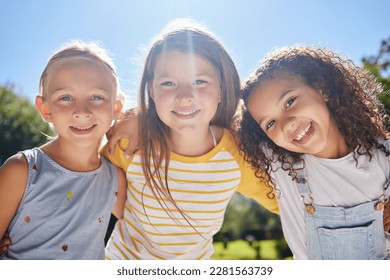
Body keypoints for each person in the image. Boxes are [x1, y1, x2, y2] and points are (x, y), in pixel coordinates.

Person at [102, 18, 279, 260]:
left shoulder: (236, 154)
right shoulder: (130, 143)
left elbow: (285, 202)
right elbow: (86, 180)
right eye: (168, 83)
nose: (185, 96)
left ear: (221, 90)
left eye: (199, 81)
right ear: (151, 91)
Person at [237, 45, 390, 259]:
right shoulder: (279, 166)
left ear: (321, 89)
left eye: (290, 101)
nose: (287, 124)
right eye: (270, 123)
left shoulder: (385, 157)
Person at [0, 41, 127, 260]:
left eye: (96, 97)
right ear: (45, 109)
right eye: (65, 98)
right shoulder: (21, 170)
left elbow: (147, 224)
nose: (81, 111)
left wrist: (137, 121)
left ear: (115, 108)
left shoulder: (115, 178)